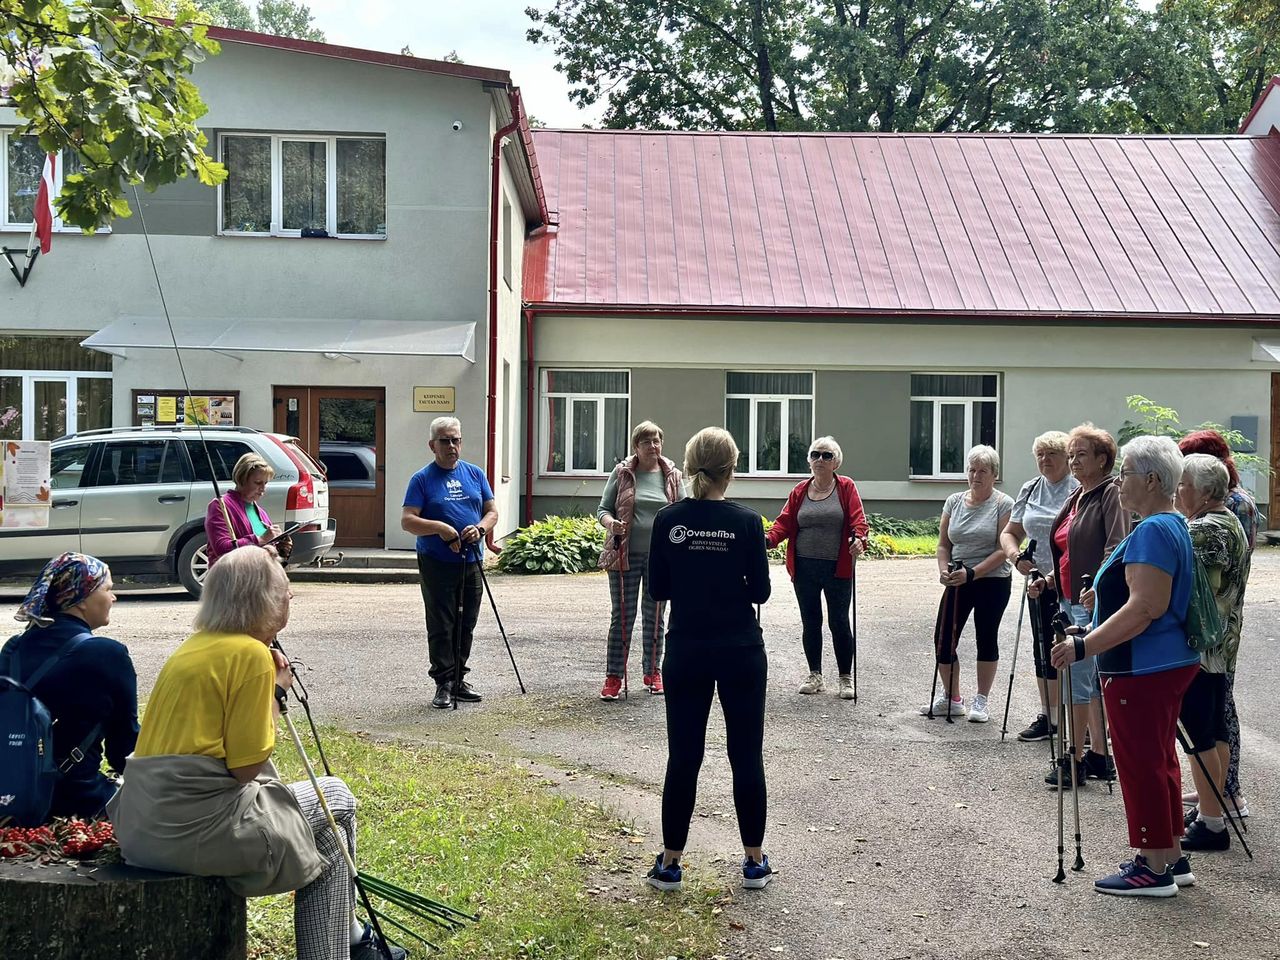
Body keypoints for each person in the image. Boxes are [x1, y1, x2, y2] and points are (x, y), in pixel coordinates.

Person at [108, 547, 405, 960]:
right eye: (285, 591)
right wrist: (276, 692)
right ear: (263, 600)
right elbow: (246, 767)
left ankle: (351, 943)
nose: (290, 598)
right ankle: (347, 944)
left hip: (142, 827)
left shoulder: (192, 648)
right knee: (335, 798)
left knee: (326, 833)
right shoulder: (249, 655)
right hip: (194, 828)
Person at [1051, 436, 1200, 897]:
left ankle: (1152, 867)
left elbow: (1145, 608)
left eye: (1126, 473)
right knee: (1158, 760)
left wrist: (1085, 645)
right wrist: (1091, 628)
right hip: (1161, 662)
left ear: (1152, 480)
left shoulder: (1153, 530)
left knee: (1140, 764)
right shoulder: (1170, 525)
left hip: (1142, 667)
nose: (1118, 482)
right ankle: (1169, 855)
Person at [645, 427, 774, 892]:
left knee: (684, 755)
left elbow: (658, 589)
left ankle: (670, 863)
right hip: (740, 649)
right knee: (746, 754)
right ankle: (754, 861)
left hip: (687, 648)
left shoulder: (668, 520)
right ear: (731, 469)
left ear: (688, 464)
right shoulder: (747, 522)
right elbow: (761, 592)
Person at [0, 553, 137, 820]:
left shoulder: (13, 648)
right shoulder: (108, 654)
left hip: (14, 800)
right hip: (79, 804)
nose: (113, 597)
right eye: (108, 589)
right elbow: (124, 751)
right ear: (81, 599)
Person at [1031, 424, 1127, 789]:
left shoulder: (1110, 493)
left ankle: (1074, 759)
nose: (1073, 461)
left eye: (1081, 455)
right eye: (1071, 455)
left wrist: (1099, 586)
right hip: (1068, 597)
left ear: (1103, 459)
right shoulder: (1078, 496)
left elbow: (1115, 546)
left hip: (1091, 599)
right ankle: (1099, 756)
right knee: (1085, 679)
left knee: (1079, 679)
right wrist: (1049, 580)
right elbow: (1069, 551)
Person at [1177, 430, 1256, 819]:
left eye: (1183, 484)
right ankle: (1215, 802)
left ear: (1204, 491)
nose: (1177, 490)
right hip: (1222, 638)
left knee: (1200, 730)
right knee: (1214, 725)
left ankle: (1212, 817)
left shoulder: (1206, 528)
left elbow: (1193, 590)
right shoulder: (1226, 519)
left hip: (1203, 643)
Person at [401, 417, 498, 710]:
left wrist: (480, 529)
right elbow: (408, 520)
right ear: (433, 445)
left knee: (467, 621)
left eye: (456, 440)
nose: (452, 446)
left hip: (471, 559)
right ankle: (443, 682)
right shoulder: (422, 479)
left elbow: (492, 512)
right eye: (445, 440)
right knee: (442, 623)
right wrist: (440, 528)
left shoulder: (475, 474)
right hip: (437, 561)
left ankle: (459, 679)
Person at [766, 435, 868, 699]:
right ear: (809, 460)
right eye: (815, 454)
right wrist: (769, 540)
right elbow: (784, 522)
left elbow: (858, 520)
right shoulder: (800, 490)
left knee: (839, 622)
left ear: (836, 462)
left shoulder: (846, 487)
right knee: (810, 622)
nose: (820, 459)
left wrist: (859, 539)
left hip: (837, 568)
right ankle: (815, 675)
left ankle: (845, 678)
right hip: (804, 568)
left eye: (826, 455)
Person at [922, 445, 1013, 723]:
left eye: (983, 471)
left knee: (986, 637)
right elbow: (943, 545)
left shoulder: (1003, 504)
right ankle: (952, 698)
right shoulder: (954, 501)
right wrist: (943, 571)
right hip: (957, 578)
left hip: (992, 579)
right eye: (972, 470)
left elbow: (1003, 549)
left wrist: (973, 573)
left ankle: (981, 700)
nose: (976, 476)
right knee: (943, 639)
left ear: (994, 474)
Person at [998, 431, 1077, 741]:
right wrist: (1016, 557)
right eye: (1040, 455)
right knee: (1042, 646)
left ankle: (1079, 719)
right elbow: (1010, 532)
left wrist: (1052, 576)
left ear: (1067, 458)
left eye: (1052, 454)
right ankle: (1050, 716)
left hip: (1069, 581)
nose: (1045, 460)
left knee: (1074, 647)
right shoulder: (1030, 488)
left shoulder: (1076, 489)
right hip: (1036, 582)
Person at [596, 421, 684, 700]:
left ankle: (653, 672)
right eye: (646, 441)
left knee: (655, 616)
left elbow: (683, 511)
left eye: (656, 441)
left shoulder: (672, 475)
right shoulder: (622, 473)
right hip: (624, 554)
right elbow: (603, 510)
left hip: (661, 557)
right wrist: (612, 524)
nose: (652, 446)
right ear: (636, 446)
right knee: (622, 616)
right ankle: (614, 677)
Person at [206, 452, 290, 566]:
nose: (263, 488)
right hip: (230, 575)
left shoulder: (261, 513)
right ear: (241, 479)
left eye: (265, 483)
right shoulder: (220, 506)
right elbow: (222, 549)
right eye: (258, 483)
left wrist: (280, 547)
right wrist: (260, 539)